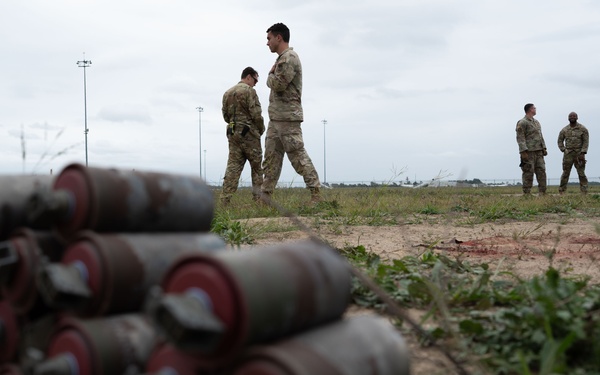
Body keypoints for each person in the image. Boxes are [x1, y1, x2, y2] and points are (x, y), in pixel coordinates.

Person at [260, 22, 322, 204]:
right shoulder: (281, 59)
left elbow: (279, 84)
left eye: (269, 38)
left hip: (287, 118)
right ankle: (265, 198)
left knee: (297, 156)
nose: (267, 43)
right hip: (276, 118)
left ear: (279, 37)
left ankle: (315, 194)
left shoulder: (289, 58)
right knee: (271, 159)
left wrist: (269, 76)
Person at [220, 67, 265, 205]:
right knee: (257, 167)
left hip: (233, 133)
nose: (256, 83)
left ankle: (225, 200)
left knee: (233, 167)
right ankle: (258, 200)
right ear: (249, 77)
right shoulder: (249, 91)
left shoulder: (227, 93)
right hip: (249, 132)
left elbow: (225, 116)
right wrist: (261, 128)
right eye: (255, 80)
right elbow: (256, 114)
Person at [516, 103, 547, 195]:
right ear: (529, 110)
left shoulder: (536, 122)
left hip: (539, 151)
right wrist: (523, 151)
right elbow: (520, 137)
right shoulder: (522, 122)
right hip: (528, 152)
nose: (535, 109)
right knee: (528, 172)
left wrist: (544, 147)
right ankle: (527, 193)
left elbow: (540, 136)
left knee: (541, 171)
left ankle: (542, 192)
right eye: (534, 108)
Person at [557, 112, 589, 194]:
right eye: (570, 116)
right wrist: (563, 149)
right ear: (568, 118)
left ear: (577, 118)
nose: (572, 117)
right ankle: (562, 191)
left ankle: (584, 191)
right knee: (565, 173)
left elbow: (586, 141)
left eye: (574, 116)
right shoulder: (564, 130)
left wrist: (583, 153)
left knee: (581, 173)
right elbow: (560, 140)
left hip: (579, 154)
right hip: (568, 154)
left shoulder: (583, 129)